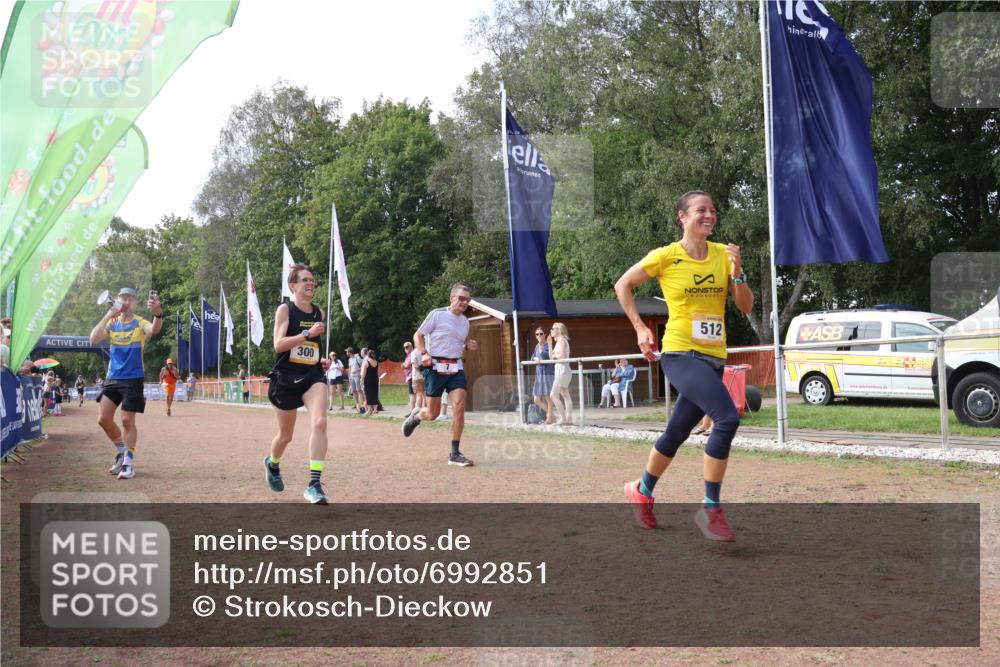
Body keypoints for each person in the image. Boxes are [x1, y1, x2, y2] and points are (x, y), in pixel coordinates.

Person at [616, 191, 754, 540]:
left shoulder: (724, 255)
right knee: (726, 417)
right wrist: (639, 329)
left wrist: (737, 274)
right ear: (682, 217)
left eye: (713, 210)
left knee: (676, 432)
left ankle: (641, 490)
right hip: (680, 354)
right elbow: (623, 285)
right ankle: (711, 509)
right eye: (701, 210)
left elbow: (747, 306)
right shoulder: (666, 256)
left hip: (714, 357)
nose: (709, 215)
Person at [263, 263, 332, 505]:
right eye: (305, 280)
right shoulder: (286, 310)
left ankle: (314, 484)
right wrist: (307, 334)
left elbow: (311, 347)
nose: (310, 283)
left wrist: (318, 358)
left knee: (320, 422)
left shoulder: (319, 313)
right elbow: (278, 345)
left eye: (312, 280)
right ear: (293, 285)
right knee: (285, 436)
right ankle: (272, 464)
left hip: (312, 376)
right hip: (285, 378)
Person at [89, 286, 163, 480]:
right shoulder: (112, 323)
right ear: (118, 301)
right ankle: (122, 451)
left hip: (133, 378)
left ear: (135, 302)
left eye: (130, 299)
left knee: (126, 420)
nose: (126, 301)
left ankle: (129, 463)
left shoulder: (140, 323)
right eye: (123, 298)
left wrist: (158, 314)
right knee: (103, 419)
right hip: (113, 378)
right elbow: (93, 338)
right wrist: (108, 314)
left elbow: (154, 330)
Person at [402, 283, 478, 467]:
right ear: (452, 298)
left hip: (455, 367)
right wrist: (424, 353)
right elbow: (418, 335)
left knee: (459, 405)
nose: (464, 302)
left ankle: (454, 452)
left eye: (467, 299)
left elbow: (456, 342)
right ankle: (417, 416)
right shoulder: (437, 314)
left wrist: (467, 346)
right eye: (461, 298)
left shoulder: (465, 322)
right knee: (433, 414)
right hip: (435, 366)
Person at [548, 323, 573, 424]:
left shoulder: (562, 341)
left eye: (553, 328)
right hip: (561, 369)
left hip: (563, 370)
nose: (551, 330)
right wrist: (549, 344)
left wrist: (555, 357)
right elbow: (551, 358)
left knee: (553, 395)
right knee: (565, 394)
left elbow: (562, 357)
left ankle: (563, 419)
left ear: (558, 330)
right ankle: (568, 419)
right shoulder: (558, 342)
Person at [530, 327, 556, 423]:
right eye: (537, 334)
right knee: (536, 399)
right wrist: (536, 359)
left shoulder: (546, 345)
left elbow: (544, 356)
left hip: (547, 374)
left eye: (541, 334)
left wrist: (538, 357)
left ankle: (550, 418)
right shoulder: (537, 346)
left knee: (548, 397)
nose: (539, 336)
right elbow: (532, 357)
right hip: (539, 375)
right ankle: (552, 415)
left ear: (545, 335)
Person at [408, 341, 426, 412]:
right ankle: (425, 412)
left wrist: (421, 370)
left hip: (417, 377)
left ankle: (417, 413)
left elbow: (415, 365)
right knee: (425, 395)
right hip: (425, 376)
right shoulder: (425, 351)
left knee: (419, 395)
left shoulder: (414, 352)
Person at [362, 348, 380, 416]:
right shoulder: (376, 362)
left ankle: (369, 409)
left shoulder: (366, 362)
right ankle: (375, 409)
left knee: (368, 394)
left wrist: (362, 379)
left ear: (368, 354)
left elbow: (364, 373)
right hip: (375, 379)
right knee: (375, 393)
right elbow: (378, 372)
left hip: (368, 380)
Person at [347, 347, 364, 411]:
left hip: (357, 376)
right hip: (352, 377)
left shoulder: (357, 358)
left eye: (347, 352)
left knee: (359, 390)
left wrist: (357, 370)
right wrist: (349, 377)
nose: (346, 353)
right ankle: (356, 404)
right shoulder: (350, 359)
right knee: (354, 391)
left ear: (350, 352)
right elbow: (350, 368)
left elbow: (363, 366)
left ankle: (362, 404)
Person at [403, 341, 416, 411]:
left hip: (412, 376)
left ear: (411, 347)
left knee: (412, 394)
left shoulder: (412, 354)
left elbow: (406, 365)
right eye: (405, 347)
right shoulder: (408, 355)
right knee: (413, 394)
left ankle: (412, 411)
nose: (406, 348)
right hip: (410, 376)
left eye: (407, 346)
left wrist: (403, 366)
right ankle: (413, 410)